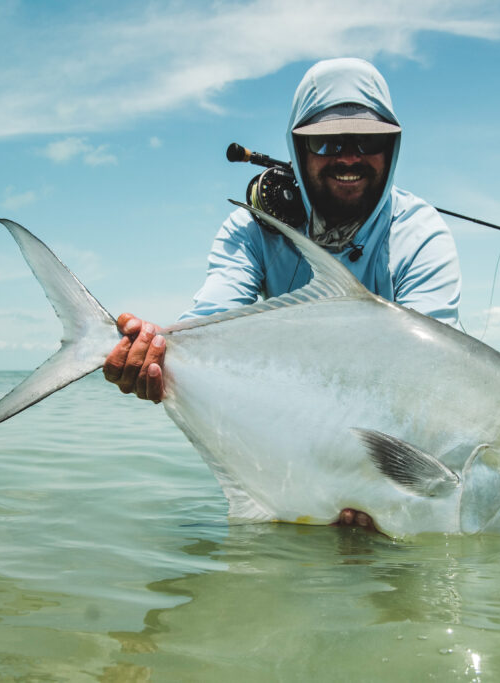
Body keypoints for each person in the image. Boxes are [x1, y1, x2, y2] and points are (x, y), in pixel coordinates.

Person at [103, 58, 462, 529]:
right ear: (298, 148)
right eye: (327, 141)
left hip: (388, 474)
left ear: (392, 147)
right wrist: (156, 357)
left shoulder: (420, 234)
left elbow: (441, 386)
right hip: (288, 457)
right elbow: (209, 321)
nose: (349, 157)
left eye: (368, 140)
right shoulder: (251, 228)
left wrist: (394, 500)